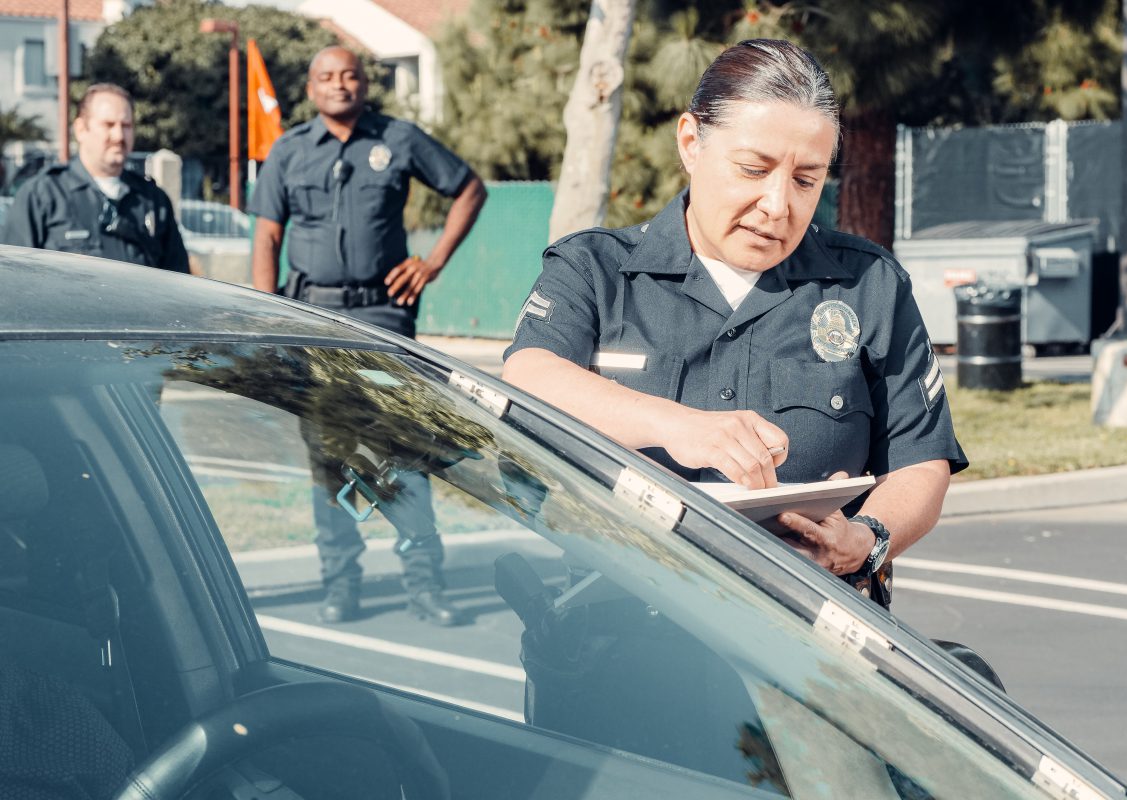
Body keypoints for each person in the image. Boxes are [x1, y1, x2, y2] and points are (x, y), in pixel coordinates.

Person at [502, 39, 967, 607]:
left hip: (809, 637)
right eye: (753, 169)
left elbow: (920, 461)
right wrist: (678, 425)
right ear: (691, 143)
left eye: (806, 180)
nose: (777, 204)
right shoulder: (595, 269)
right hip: (615, 625)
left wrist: (864, 542)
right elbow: (529, 375)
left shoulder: (869, 286)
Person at [249, 46, 487, 626]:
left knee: (402, 449)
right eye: (327, 76)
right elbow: (266, 239)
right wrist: (266, 319)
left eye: (349, 74)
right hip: (312, 319)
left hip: (383, 317)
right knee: (330, 459)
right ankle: (341, 584)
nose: (339, 84)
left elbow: (470, 189)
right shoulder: (289, 150)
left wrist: (431, 262)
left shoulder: (399, 139)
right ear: (311, 88)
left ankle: (425, 584)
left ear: (364, 82)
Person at [3, 84, 189, 272]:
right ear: (81, 129)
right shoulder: (42, 196)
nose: (118, 136)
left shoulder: (153, 201)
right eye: (108, 125)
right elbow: (15, 279)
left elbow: (178, 281)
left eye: (126, 126)